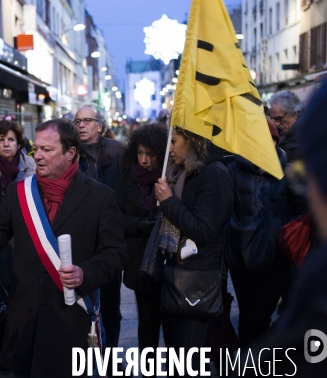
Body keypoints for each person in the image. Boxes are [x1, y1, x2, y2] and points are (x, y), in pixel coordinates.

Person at [0, 118, 128, 377]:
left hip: (71, 320)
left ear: (70, 152)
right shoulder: (20, 193)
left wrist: (85, 273)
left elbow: (116, 255)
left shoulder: (100, 196)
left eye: (47, 150)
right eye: (36, 149)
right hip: (25, 322)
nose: (38, 156)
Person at [154, 127, 233, 373]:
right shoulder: (183, 172)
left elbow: (203, 230)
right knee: (177, 358)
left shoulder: (214, 174)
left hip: (196, 279)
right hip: (175, 275)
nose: (170, 147)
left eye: (175, 141)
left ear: (193, 141)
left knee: (190, 359)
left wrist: (169, 202)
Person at [226, 119, 307, 347]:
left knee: (260, 316)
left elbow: (302, 214)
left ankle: (252, 362)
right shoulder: (232, 171)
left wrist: (279, 233)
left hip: (274, 258)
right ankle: (250, 362)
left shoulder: (289, 173)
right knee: (247, 313)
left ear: (274, 142)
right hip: (241, 257)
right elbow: (226, 211)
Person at [114, 123, 168, 359]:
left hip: (167, 261)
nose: (144, 160)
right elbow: (116, 217)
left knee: (170, 319)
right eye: (140, 153)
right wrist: (138, 225)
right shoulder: (125, 179)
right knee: (146, 321)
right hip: (139, 261)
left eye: (150, 154)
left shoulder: (170, 179)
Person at [74, 104, 125, 350]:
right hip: (81, 240)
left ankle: (112, 357)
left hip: (109, 239)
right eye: (77, 121)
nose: (81, 125)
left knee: (111, 305)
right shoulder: (70, 152)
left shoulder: (117, 151)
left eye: (87, 120)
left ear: (100, 126)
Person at [0, 118, 36, 347]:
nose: (6, 144)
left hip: (24, 242)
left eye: (11, 139)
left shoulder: (31, 167)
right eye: (1, 140)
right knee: (0, 300)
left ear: (19, 143)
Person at [269, 91, 302, 162]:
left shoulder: (309, 134)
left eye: (279, 119)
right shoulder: (277, 133)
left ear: (294, 114)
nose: (276, 124)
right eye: (273, 119)